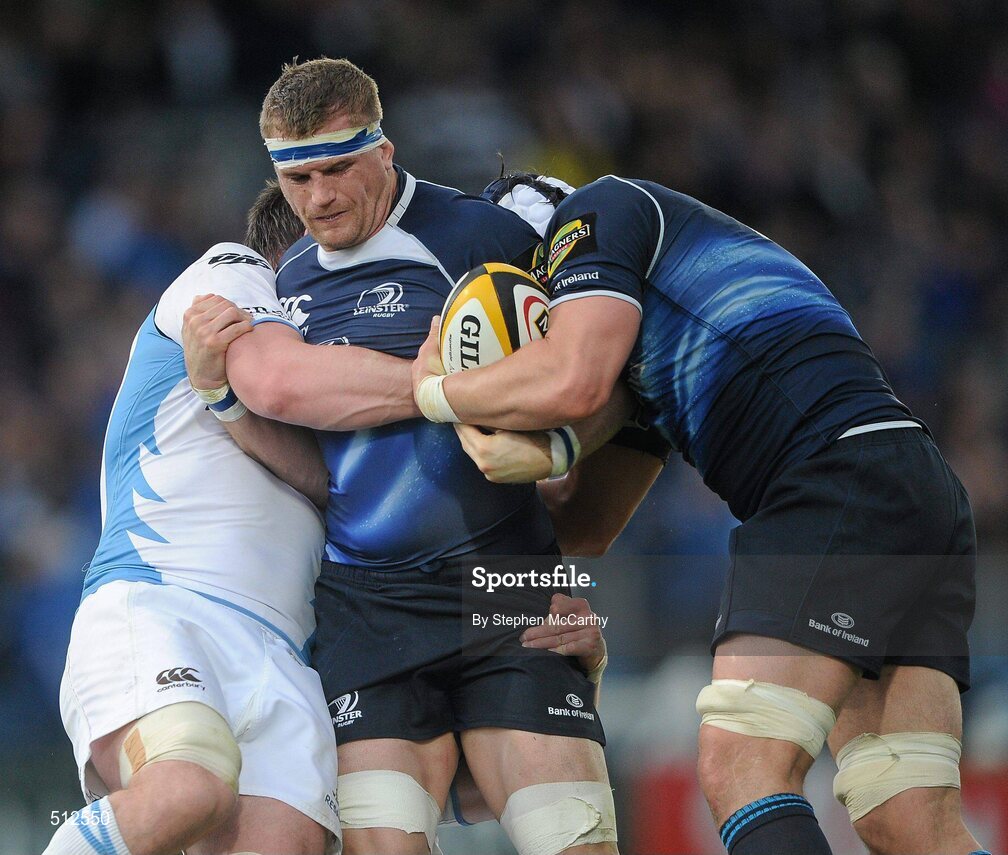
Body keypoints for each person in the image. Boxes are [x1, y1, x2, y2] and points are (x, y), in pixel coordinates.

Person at [412, 172, 987, 855]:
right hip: (904, 484)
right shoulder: (648, 343)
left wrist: (435, 390)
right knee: (907, 817)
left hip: (829, 483)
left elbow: (570, 380)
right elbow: (582, 526)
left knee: (743, 767)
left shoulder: (597, 211)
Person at [183, 58, 660, 855]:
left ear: (385, 150)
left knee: (574, 840)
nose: (319, 198)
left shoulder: (487, 239)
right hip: (369, 608)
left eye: (337, 169)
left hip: (507, 589)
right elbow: (318, 479)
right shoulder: (286, 285)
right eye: (296, 179)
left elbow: (605, 385)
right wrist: (225, 400)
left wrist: (569, 524)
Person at [46, 182, 340, 855]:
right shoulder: (233, 271)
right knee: (186, 786)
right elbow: (279, 389)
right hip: (165, 598)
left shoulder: (346, 376)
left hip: (286, 655)